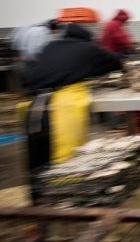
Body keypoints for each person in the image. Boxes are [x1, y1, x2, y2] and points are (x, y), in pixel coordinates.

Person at [24, 23, 123, 204]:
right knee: (66, 163)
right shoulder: (87, 48)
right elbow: (114, 62)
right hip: (62, 107)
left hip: (35, 107)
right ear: (85, 38)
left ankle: (39, 208)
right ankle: (67, 207)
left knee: (38, 160)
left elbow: (29, 75)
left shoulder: (50, 46)